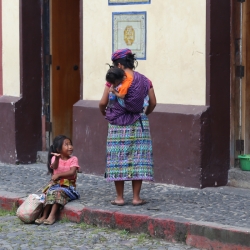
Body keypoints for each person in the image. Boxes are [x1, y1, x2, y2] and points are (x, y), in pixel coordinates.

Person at [99, 48, 157, 206]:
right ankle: (136, 198)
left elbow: (103, 103)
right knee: (138, 158)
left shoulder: (113, 80)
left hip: (117, 124)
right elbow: (153, 102)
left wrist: (105, 113)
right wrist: (145, 113)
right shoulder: (145, 81)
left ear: (119, 64)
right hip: (139, 122)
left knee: (118, 159)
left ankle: (119, 197)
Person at [35, 135, 80, 225]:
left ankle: (52, 216)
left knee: (58, 192)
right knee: (48, 193)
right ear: (58, 149)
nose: (70, 147)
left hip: (69, 188)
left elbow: (72, 172)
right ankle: (44, 215)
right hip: (55, 185)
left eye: (70, 144)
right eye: (66, 145)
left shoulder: (73, 159)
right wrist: (57, 158)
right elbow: (54, 167)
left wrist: (59, 175)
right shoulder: (54, 158)